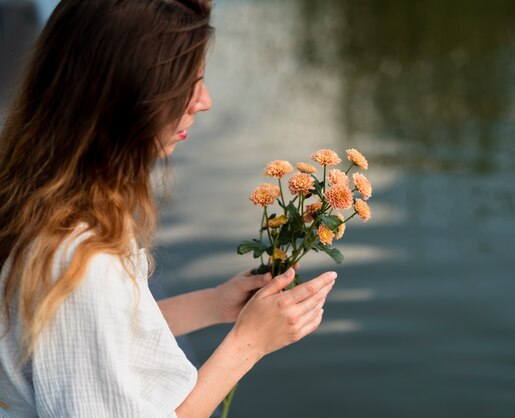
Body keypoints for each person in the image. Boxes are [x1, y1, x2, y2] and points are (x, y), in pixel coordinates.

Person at [0, 0, 336, 416]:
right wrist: (247, 344)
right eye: (187, 84)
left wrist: (216, 302)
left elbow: (103, 335)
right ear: (127, 96)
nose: (204, 101)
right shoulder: (82, 261)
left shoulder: (47, 204)